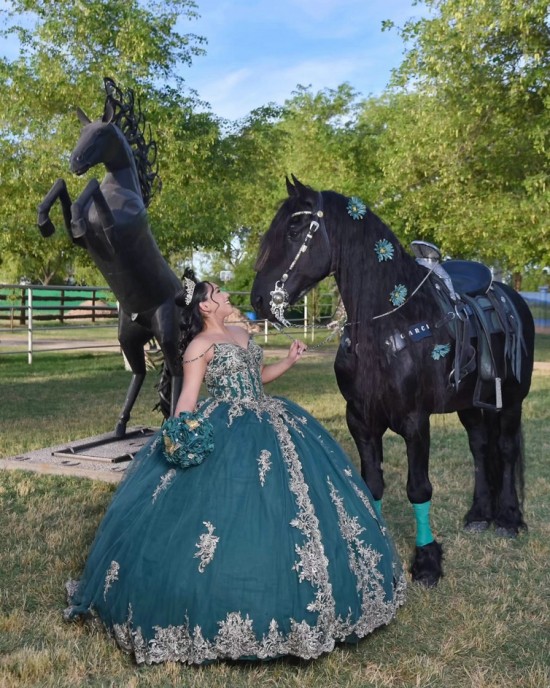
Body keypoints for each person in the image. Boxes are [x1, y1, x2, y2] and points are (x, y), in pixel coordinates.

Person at [65, 269, 406, 665]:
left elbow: (257, 379)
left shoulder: (243, 334)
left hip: (271, 418)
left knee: (296, 502)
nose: (227, 294)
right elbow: (187, 400)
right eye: (218, 292)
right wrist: (181, 434)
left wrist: (289, 360)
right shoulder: (199, 346)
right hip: (225, 426)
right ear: (206, 306)